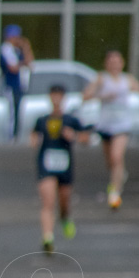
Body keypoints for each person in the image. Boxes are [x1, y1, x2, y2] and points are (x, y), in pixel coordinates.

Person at [82, 49, 139, 210]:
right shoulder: (101, 79)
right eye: (111, 61)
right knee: (110, 162)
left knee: (116, 156)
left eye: (117, 61)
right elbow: (85, 96)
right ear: (106, 64)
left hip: (122, 126)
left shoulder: (127, 80)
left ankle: (114, 193)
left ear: (122, 63)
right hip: (105, 126)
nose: (114, 65)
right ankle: (119, 176)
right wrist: (103, 96)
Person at [32, 84, 86, 254]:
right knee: (47, 201)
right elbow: (33, 137)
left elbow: (85, 138)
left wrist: (74, 136)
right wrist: (34, 140)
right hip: (46, 164)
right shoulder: (42, 120)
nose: (56, 99)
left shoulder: (71, 120)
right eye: (53, 95)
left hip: (64, 164)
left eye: (59, 95)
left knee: (64, 199)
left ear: (63, 98)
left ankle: (65, 217)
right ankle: (47, 237)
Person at [0, 24, 34, 143]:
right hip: (11, 86)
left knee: (18, 112)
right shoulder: (6, 49)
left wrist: (26, 47)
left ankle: (16, 137)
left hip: (20, 86)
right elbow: (13, 68)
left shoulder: (18, 50)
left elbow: (30, 64)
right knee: (12, 113)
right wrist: (23, 63)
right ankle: (11, 138)